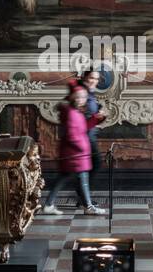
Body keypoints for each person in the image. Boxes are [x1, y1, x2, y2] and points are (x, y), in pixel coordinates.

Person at [38, 80, 107, 216]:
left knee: (64, 177)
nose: (82, 100)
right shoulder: (71, 113)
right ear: (73, 97)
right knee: (82, 177)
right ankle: (88, 206)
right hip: (75, 153)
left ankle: (49, 204)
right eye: (80, 97)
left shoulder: (76, 112)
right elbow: (71, 134)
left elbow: (84, 128)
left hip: (75, 152)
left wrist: (96, 119)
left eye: (84, 97)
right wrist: (82, 148)